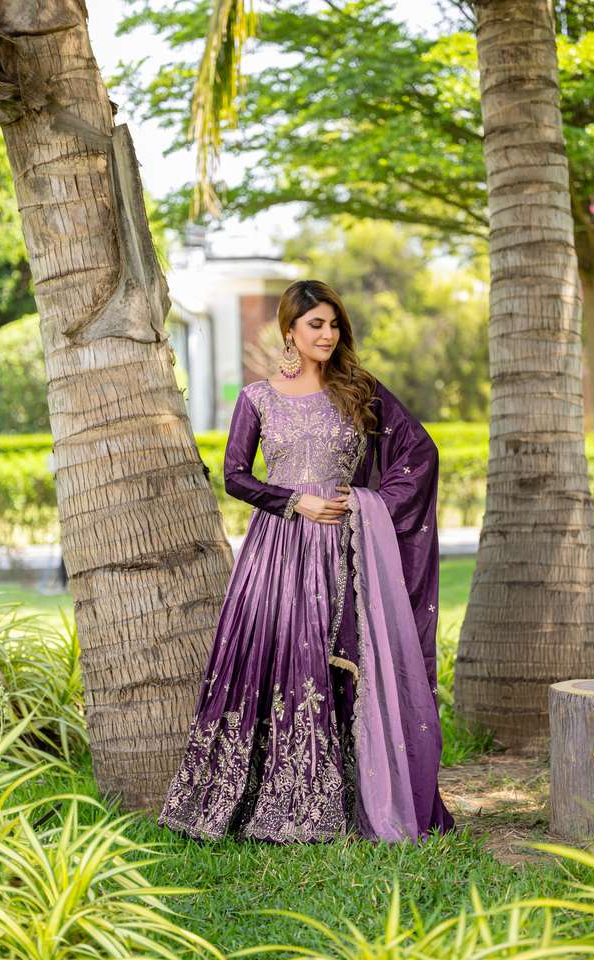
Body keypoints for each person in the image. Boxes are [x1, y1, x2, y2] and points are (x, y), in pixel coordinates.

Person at [157, 279, 455, 844]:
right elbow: (236, 477)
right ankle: (264, 797)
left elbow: (419, 451)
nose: (327, 334)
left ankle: (348, 797)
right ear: (289, 330)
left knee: (341, 659)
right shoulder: (258, 398)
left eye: (334, 324)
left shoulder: (360, 390)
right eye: (315, 324)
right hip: (276, 551)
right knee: (277, 656)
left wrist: (367, 504)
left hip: (346, 548)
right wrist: (296, 501)